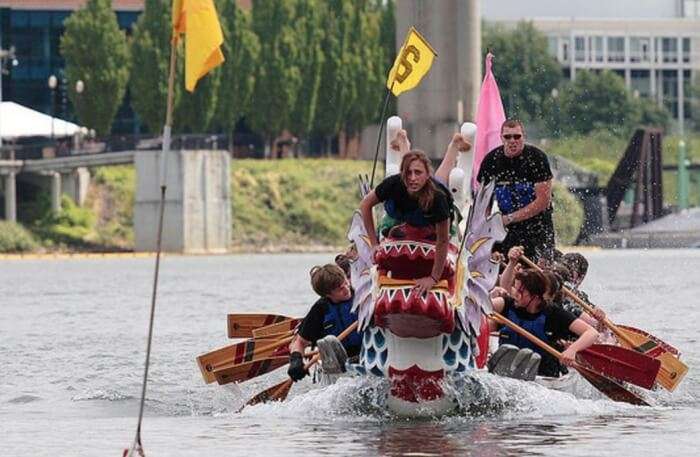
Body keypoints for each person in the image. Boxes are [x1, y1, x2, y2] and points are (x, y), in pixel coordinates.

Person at [360, 131, 468, 296]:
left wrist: (433, 278)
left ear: (426, 175)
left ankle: (454, 145)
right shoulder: (395, 183)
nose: (412, 178)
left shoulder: (437, 197)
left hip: (429, 222)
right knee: (410, 165)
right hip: (400, 215)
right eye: (408, 173)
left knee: (441, 177)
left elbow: (443, 240)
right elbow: (365, 204)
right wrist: (373, 243)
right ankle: (403, 141)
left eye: (418, 173)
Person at [489, 267, 599, 378]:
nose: (515, 294)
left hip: (543, 376)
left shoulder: (554, 314)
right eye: (515, 288)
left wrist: (572, 349)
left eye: (520, 291)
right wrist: (489, 296)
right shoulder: (507, 304)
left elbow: (592, 332)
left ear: (535, 297)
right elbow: (480, 304)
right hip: (504, 371)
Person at [477, 119, 555, 262]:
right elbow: (482, 204)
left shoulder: (537, 158)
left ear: (523, 136)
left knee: (538, 269)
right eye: (507, 137)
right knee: (505, 266)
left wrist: (510, 218)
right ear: (501, 137)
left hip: (538, 227)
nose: (512, 141)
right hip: (507, 230)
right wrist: (486, 228)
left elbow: (543, 201)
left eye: (517, 136)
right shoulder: (491, 161)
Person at [287, 264, 362, 382]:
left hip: (367, 353)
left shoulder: (363, 294)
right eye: (340, 289)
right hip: (339, 361)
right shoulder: (320, 309)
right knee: (329, 341)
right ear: (328, 294)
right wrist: (296, 361)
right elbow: (299, 343)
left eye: (346, 283)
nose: (347, 289)